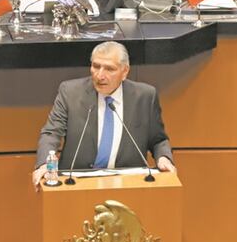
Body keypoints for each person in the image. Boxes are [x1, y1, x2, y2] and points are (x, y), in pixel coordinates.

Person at [32, 41, 175, 188]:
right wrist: (44, 163)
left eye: (109, 69)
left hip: (128, 182)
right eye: (96, 66)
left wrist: (163, 158)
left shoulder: (145, 96)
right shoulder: (70, 92)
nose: (100, 75)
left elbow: (158, 140)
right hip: (77, 182)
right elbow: (51, 132)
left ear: (125, 71)